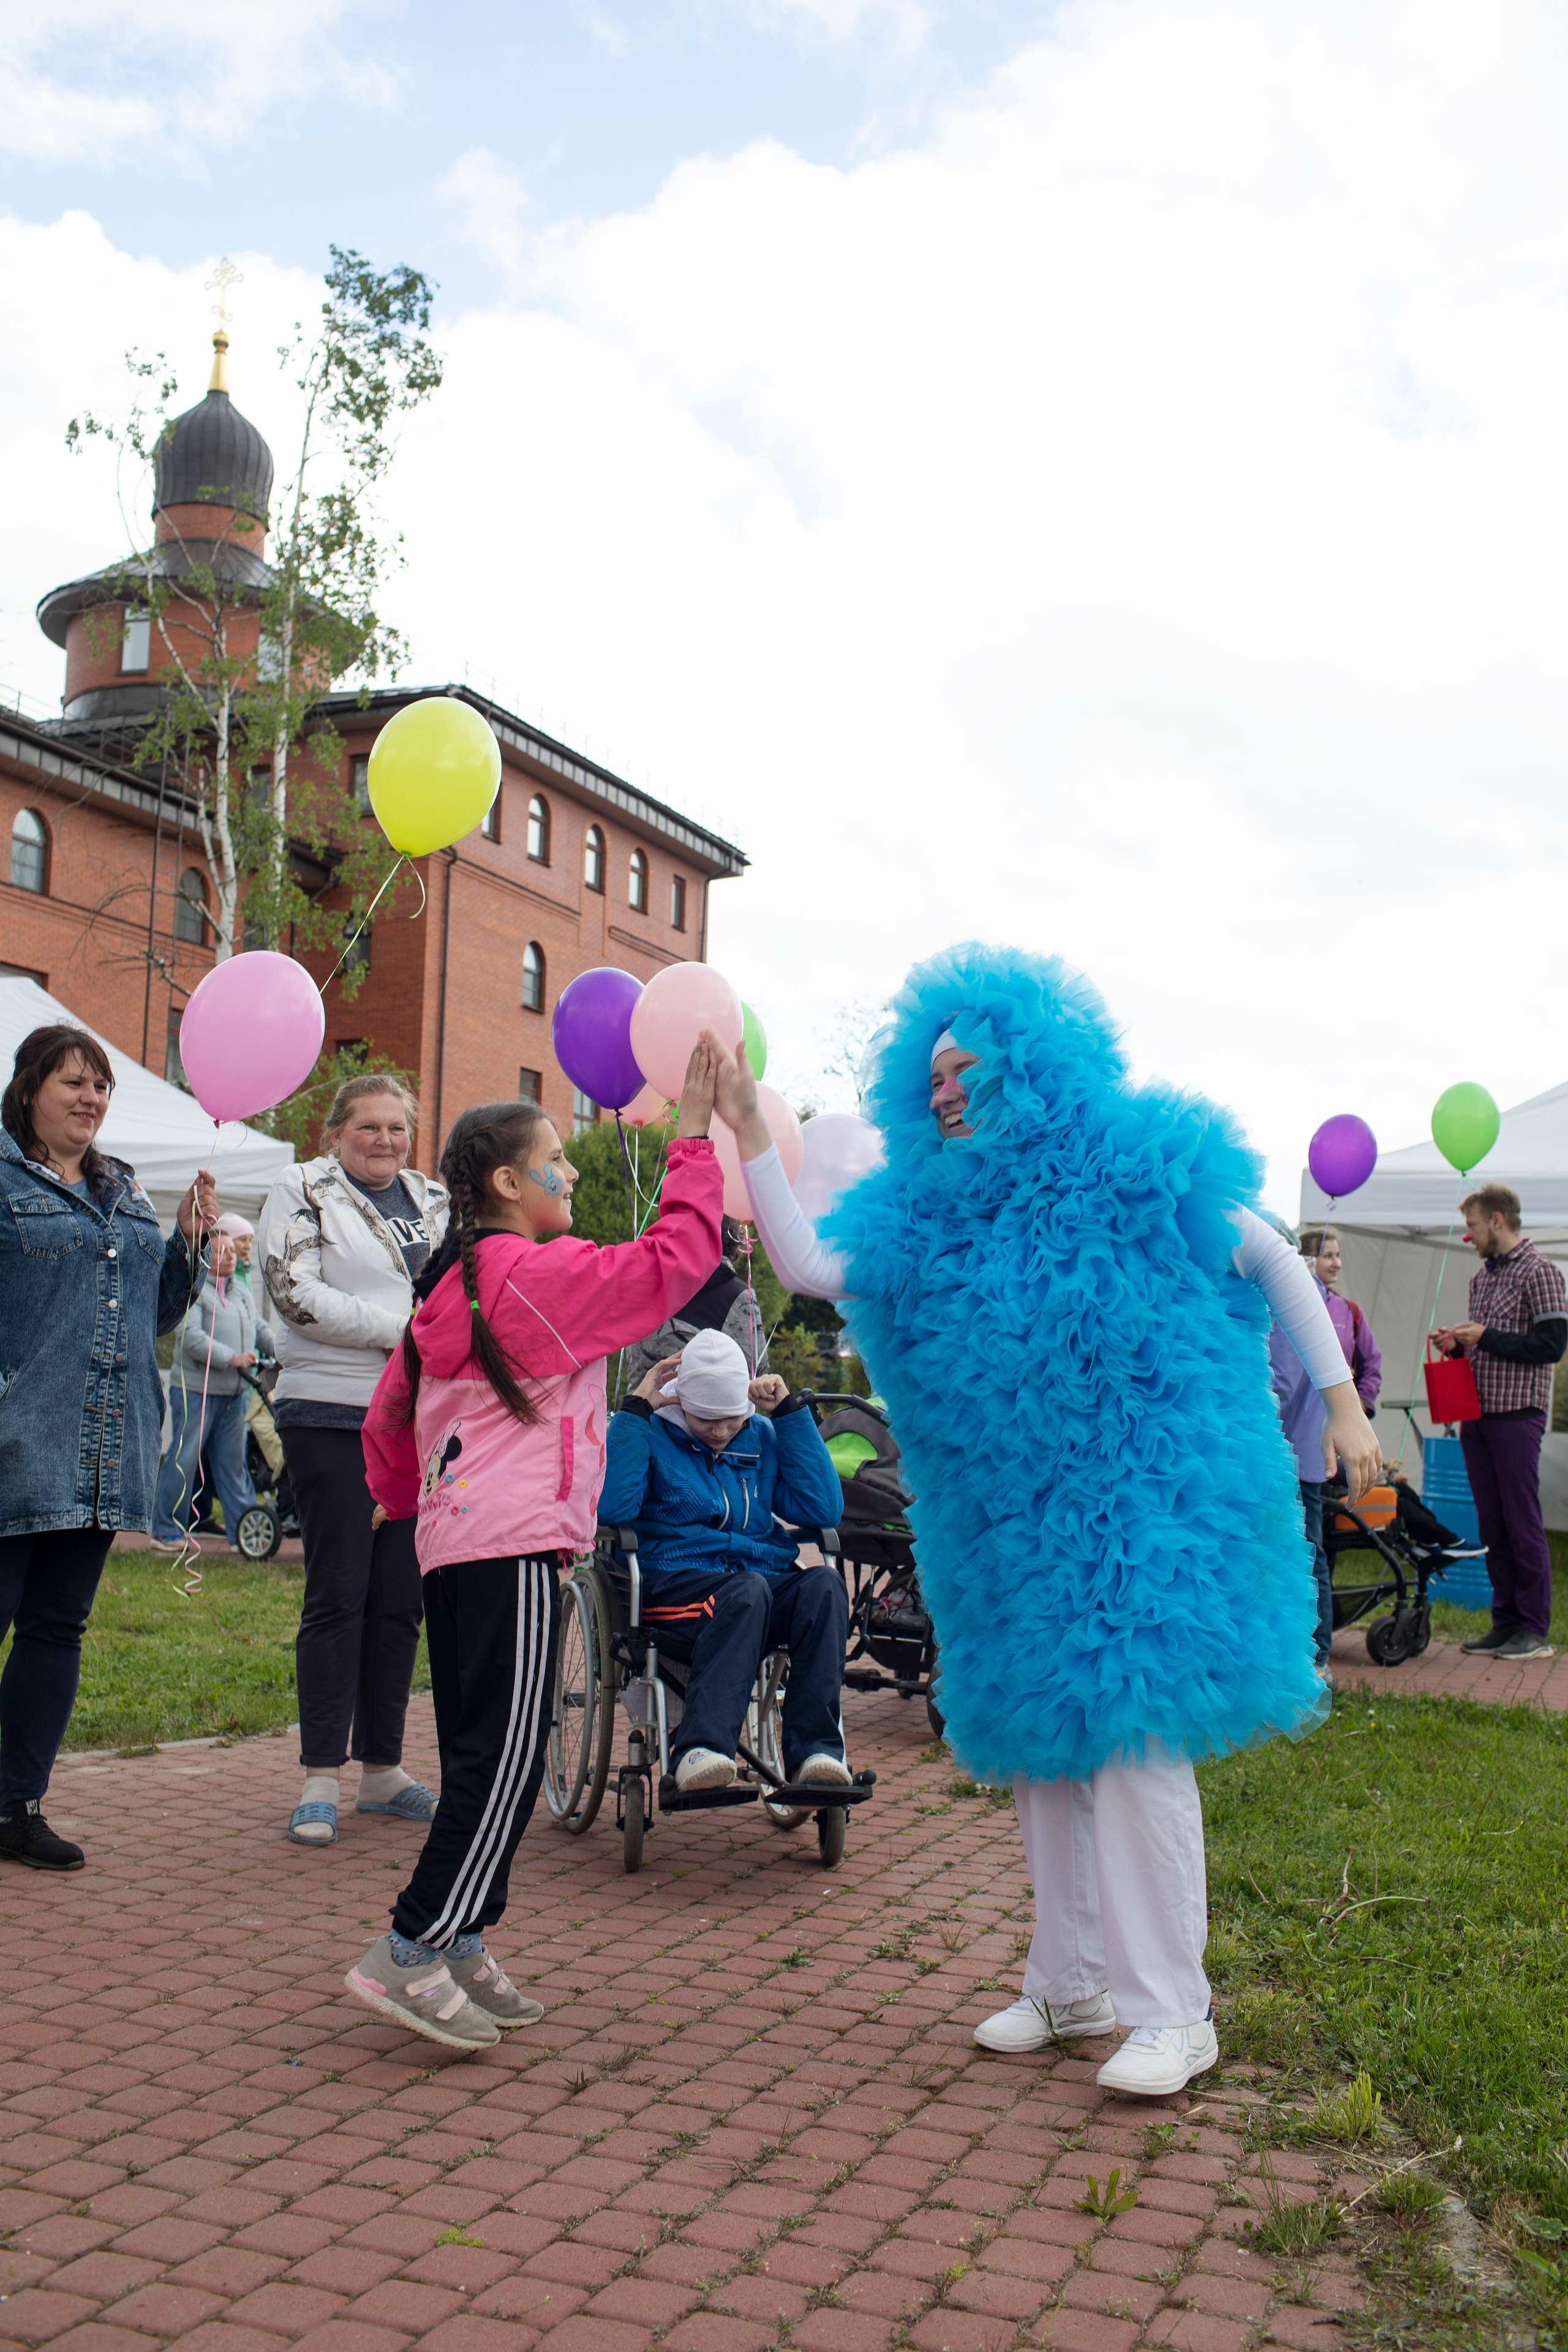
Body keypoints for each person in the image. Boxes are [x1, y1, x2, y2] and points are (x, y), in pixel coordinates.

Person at [705, 944, 1380, 2099]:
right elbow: (815, 1266)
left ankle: (1176, 2010)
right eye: (934, 1078)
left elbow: (1269, 1254)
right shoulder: (924, 1213)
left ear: (1037, 1064)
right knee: (1044, 1750)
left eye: (968, 1066)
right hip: (1012, 1526)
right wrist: (749, 1136)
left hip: (1145, 1507)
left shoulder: (1132, 1166)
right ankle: (1070, 1984)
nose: (948, 1088)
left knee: (1130, 1741)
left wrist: (1346, 1402)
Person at [349, 1046, 723, 2051]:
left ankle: (462, 1935)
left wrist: (400, 1501)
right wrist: (692, 1136)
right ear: (509, 1183)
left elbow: (388, 1417)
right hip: (508, 1548)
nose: (569, 1173)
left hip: (466, 1545)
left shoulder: (456, 1283)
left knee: (493, 1757)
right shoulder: (533, 1279)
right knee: (504, 1763)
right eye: (555, 1159)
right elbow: (671, 1265)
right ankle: (412, 1946)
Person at [0, 1022, 216, 1871]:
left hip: (101, 1447)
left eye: (100, 1087)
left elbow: (151, 1317)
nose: (90, 1098)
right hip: (15, 1439)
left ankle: (17, 1806)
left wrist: (188, 1245)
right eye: (72, 1083)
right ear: (29, 1091)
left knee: (57, 1629)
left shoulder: (126, 1192)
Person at [258, 1076, 449, 1846]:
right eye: (367, 1126)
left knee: (400, 1599)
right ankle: (318, 1778)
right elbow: (293, 1291)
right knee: (340, 1590)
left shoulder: (436, 1200)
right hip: (333, 1414)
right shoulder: (301, 1187)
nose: (384, 1140)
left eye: (396, 1127)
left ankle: (382, 1770)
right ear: (337, 1132)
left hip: (422, 1422)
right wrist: (400, 1329)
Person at [599, 1328, 847, 1793]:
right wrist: (635, 1413)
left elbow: (822, 1511)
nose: (719, 1431)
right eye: (704, 1418)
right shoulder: (652, 1431)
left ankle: (815, 1752)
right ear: (680, 1400)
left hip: (754, 1582)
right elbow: (610, 1510)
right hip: (675, 1583)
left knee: (824, 1588)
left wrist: (791, 1417)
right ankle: (701, 1749)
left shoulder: (761, 1435)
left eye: (731, 1418)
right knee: (747, 1591)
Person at [1434, 1182, 1567, 1660]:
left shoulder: (1542, 1273)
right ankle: (1505, 1622)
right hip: (1478, 1413)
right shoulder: (1482, 1279)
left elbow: (1551, 1347)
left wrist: (1486, 1337)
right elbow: (1488, 1345)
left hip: (1518, 1417)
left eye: (1471, 1227)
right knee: (1492, 1523)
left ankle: (1534, 1629)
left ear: (1496, 1220)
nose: (1468, 1238)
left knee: (1521, 1521)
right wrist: (1457, 1342)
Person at [150, 1233, 277, 1551]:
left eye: (233, 1250)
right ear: (207, 1257)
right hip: (198, 1392)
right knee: (185, 1459)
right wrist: (232, 1358)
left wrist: (286, 1351)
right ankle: (165, 1529)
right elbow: (190, 1338)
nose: (230, 1255)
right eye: (222, 1251)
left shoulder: (241, 1292)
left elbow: (259, 1329)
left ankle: (244, 1533)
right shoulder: (194, 1293)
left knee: (233, 1465)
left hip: (236, 1395)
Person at [618, 1216, 768, 1398]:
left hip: (638, 1416)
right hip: (703, 1423)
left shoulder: (646, 1284)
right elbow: (757, 1373)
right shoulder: (739, 1297)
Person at [1298, 1227, 1381, 1416]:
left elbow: (1371, 1362)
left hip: (1337, 1418)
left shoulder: (1350, 1310)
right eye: (1328, 1256)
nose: (1337, 1263)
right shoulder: (1284, 1305)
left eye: (1338, 1255)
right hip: (1291, 1420)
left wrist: (1361, 1404)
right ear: (1306, 1260)